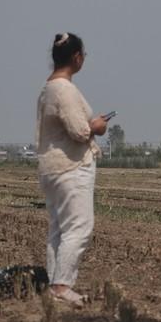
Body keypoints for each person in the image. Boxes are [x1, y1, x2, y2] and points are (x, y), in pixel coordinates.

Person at [36, 32, 108, 307]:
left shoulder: (47, 87)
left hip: (51, 168)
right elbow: (80, 131)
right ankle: (62, 286)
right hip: (71, 167)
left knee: (59, 228)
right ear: (77, 58)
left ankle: (55, 283)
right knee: (79, 226)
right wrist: (97, 126)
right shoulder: (64, 89)